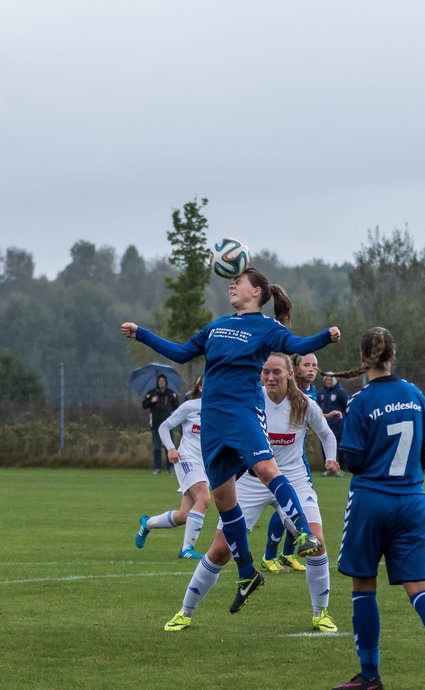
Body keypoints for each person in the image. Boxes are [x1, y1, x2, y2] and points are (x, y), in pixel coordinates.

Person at [121, 267, 340, 613]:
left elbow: (298, 345)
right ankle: (247, 572)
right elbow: (180, 353)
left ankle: (301, 531)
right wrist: (142, 334)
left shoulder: (267, 327)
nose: (232, 286)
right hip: (214, 423)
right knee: (224, 501)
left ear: (257, 292)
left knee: (267, 467)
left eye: (238, 282)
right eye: (231, 283)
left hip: (243, 412)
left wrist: (325, 337)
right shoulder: (217, 326)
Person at [330, 327, 425, 690]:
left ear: (362, 359)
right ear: (393, 357)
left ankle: (369, 674)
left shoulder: (359, 401)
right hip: (412, 501)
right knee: (420, 588)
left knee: (363, 585)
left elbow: (352, 460)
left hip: (372, 500)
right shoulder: (414, 393)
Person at [164, 353, 339, 632]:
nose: (270, 377)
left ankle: (321, 614)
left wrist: (331, 458)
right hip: (250, 482)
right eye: (265, 372)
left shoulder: (304, 404)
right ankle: (185, 612)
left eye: (276, 372)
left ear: (290, 374)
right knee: (220, 551)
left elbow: (327, 434)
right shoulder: (249, 400)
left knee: (316, 542)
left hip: (292, 479)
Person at [260, 352, 324, 572]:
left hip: (297, 459)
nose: (312, 369)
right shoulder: (277, 393)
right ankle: (269, 556)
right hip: (273, 462)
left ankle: (287, 554)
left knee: (296, 507)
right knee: (285, 507)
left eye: (315, 365)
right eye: (307, 365)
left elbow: (315, 421)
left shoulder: (310, 393)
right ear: (294, 371)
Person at [136, 378, 208, 559]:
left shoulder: (222, 410)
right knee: (204, 499)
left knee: (184, 516)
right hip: (187, 459)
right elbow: (164, 427)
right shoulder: (190, 406)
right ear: (200, 387)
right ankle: (187, 549)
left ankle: (148, 523)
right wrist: (171, 448)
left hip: (205, 465)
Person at [142, 374, 179, 474]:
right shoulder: (152, 393)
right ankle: (157, 467)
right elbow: (144, 404)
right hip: (155, 424)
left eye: (163, 381)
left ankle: (171, 467)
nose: (161, 382)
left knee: (169, 446)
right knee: (157, 447)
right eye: (160, 381)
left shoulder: (171, 393)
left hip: (168, 424)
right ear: (157, 382)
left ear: (166, 382)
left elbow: (177, 407)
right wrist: (151, 401)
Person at [317, 373, 350, 467]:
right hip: (325, 423)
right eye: (327, 380)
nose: (328, 382)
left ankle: (342, 466)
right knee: (324, 442)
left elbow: (347, 405)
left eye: (330, 380)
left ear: (335, 381)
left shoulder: (340, 392)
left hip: (338, 424)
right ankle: (327, 465)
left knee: (340, 445)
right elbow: (318, 406)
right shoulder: (322, 392)